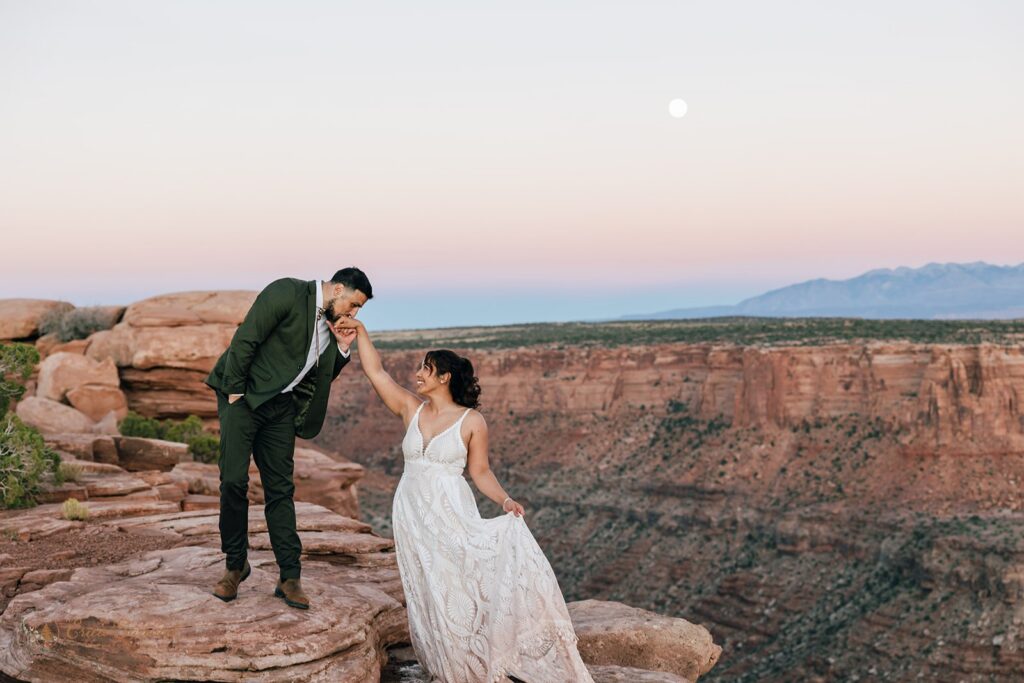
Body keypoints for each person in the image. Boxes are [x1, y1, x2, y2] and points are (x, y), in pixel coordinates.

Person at [334, 315, 594, 682]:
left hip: (450, 511)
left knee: (456, 585)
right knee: (427, 586)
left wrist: (505, 501)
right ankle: (447, 664)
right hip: (411, 512)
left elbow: (481, 472)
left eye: (427, 368)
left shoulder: (472, 421)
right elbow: (376, 372)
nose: (418, 373)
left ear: (445, 378)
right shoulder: (411, 409)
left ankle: (473, 665)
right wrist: (360, 332)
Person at [203, 268, 372, 609]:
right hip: (244, 396)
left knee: (280, 489)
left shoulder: (333, 323)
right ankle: (235, 566)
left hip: (280, 408)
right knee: (233, 481)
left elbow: (320, 376)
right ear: (337, 288)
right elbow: (247, 338)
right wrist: (235, 390)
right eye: (353, 304)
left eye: (359, 310)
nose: (353, 314)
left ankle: (290, 576)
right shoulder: (286, 293)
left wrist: (340, 348)